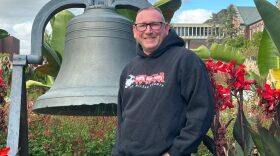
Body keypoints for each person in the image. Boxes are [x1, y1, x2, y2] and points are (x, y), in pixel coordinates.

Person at [111, 6, 214, 156]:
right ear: (134, 31)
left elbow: (202, 111)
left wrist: (176, 152)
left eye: (154, 24)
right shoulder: (129, 68)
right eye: (142, 25)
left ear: (166, 28)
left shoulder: (186, 60)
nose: (148, 31)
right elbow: (123, 118)